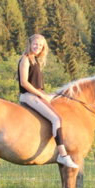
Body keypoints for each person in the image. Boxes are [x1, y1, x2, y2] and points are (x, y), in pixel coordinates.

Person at [18, 34, 79, 169]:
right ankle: (62, 155)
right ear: (30, 43)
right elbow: (24, 82)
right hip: (28, 96)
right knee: (56, 119)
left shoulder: (36, 61)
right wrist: (42, 95)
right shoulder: (25, 59)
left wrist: (49, 95)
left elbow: (37, 86)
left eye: (40, 45)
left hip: (35, 95)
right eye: (35, 44)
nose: (37, 47)